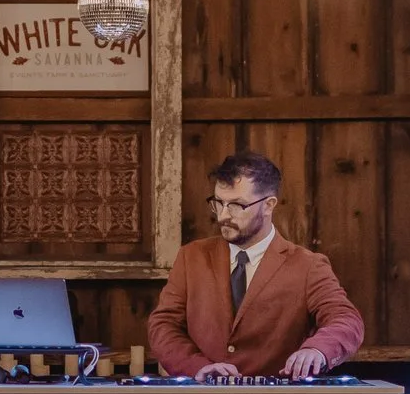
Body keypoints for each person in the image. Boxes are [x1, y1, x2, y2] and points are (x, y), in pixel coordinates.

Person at [147, 150, 364, 380]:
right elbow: (163, 326)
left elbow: (346, 319)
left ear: (269, 205)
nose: (223, 215)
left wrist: (317, 349)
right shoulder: (191, 257)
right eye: (218, 203)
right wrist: (197, 367)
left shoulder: (308, 266)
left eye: (236, 205)